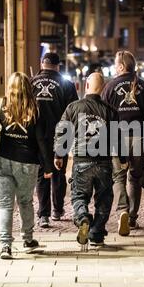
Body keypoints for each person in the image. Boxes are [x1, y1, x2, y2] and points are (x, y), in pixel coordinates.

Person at [0, 72, 54, 259]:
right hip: (26, 162)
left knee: (4, 204)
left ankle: (5, 246)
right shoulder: (35, 109)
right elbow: (42, 141)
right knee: (25, 201)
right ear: (28, 88)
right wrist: (48, 167)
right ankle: (28, 239)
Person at [54, 73, 127, 247]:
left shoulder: (73, 107)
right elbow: (118, 138)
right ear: (102, 88)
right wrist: (123, 158)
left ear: (86, 85)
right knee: (104, 199)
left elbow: (62, 132)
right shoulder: (110, 111)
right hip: (103, 162)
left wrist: (59, 155)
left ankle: (83, 217)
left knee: (79, 195)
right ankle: (96, 234)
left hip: (81, 161)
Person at [101, 50, 144, 236]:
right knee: (135, 177)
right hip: (139, 136)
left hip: (117, 136)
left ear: (121, 66)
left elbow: (102, 115)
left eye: (115, 65)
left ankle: (122, 211)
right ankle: (133, 216)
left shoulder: (110, 87)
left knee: (118, 177)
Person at [30, 53, 79, 228]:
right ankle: (57, 210)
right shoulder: (67, 85)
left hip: (37, 136)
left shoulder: (32, 82)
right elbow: (74, 112)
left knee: (42, 175)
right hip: (61, 134)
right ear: (58, 66)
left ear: (42, 64)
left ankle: (43, 214)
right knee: (59, 173)